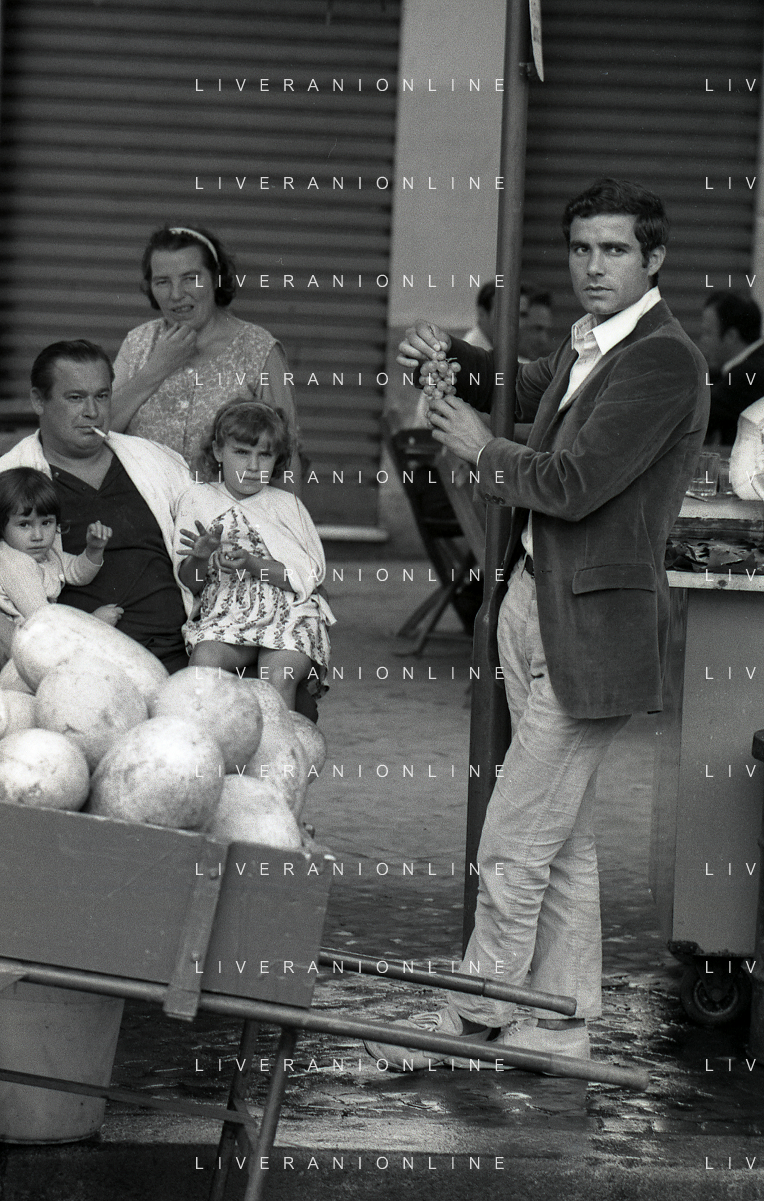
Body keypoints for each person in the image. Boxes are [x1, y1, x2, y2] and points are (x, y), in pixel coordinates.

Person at [366, 178, 709, 1069]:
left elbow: (574, 482)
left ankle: (478, 1013)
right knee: (560, 839)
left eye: (615, 250)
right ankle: (559, 1019)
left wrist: (481, 447)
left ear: (655, 259)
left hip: (594, 626)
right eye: (583, 249)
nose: (594, 266)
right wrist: (449, 353)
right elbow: (523, 383)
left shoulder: (663, 361)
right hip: (531, 602)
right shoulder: (590, 341)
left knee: (514, 837)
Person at [0, 340, 194, 671]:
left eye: (102, 396)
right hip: (74, 669)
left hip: (180, 660)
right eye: (75, 398)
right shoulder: (9, 478)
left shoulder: (158, 463)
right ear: (38, 400)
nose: (93, 412)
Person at [109, 225, 301, 484]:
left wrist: (288, 511)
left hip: (230, 509)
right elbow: (100, 432)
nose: (176, 294)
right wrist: (156, 369)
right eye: (162, 282)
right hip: (143, 506)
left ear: (216, 277)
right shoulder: (138, 344)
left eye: (190, 278)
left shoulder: (258, 349)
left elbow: (286, 453)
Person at [175, 400, 334, 709]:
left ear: (277, 459)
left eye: (265, 455)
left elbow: (304, 579)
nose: (253, 466)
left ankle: (276, 739)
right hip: (224, 615)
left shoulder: (287, 506)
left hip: (287, 614)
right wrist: (200, 558)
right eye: (241, 452)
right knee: (204, 664)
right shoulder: (196, 500)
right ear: (218, 451)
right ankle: (209, 734)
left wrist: (251, 563)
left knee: (278, 677)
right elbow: (189, 584)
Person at [0, 467, 118, 624]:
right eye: (24, 524)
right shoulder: (15, 563)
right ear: (2, 527)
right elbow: (42, 619)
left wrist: (94, 549)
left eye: (46, 523)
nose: (38, 536)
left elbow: (78, 573)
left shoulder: (48, 553)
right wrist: (93, 622)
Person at [698, 292, 764, 445]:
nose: (702, 341)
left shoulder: (747, 374)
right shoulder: (754, 362)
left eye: (707, 333)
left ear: (731, 336)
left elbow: (696, 419)